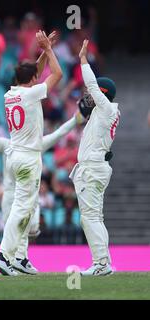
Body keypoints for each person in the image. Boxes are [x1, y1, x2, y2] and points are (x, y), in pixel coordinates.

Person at [0, 30, 63, 276]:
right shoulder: (31, 93)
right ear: (32, 80)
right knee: (22, 209)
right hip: (28, 158)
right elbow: (57, 75)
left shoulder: (11, 94)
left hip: (14, 156)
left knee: (24, 209)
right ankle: (4, 256)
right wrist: (47, 50)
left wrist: (41, 53)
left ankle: (20, 257)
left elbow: (33, 74)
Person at [0, 95, 83, 274]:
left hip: (29, 195)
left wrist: (76, 119)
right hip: (10, 197)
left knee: (29, 228)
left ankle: (20, 259)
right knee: (18, 229)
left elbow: (59, 134)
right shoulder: (6, 145)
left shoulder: (36, 145)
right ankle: (9, 259)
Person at [70, 40, 120, 276]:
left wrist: (83, 61)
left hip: (93, 169)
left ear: (103, 94)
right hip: (94, 167)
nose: (89, 95)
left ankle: (101, 264)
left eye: (94, 92)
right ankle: (104, 262)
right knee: (94, 217)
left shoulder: (107, 109)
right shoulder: (104, 112)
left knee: (90, 217)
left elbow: (90, 83)